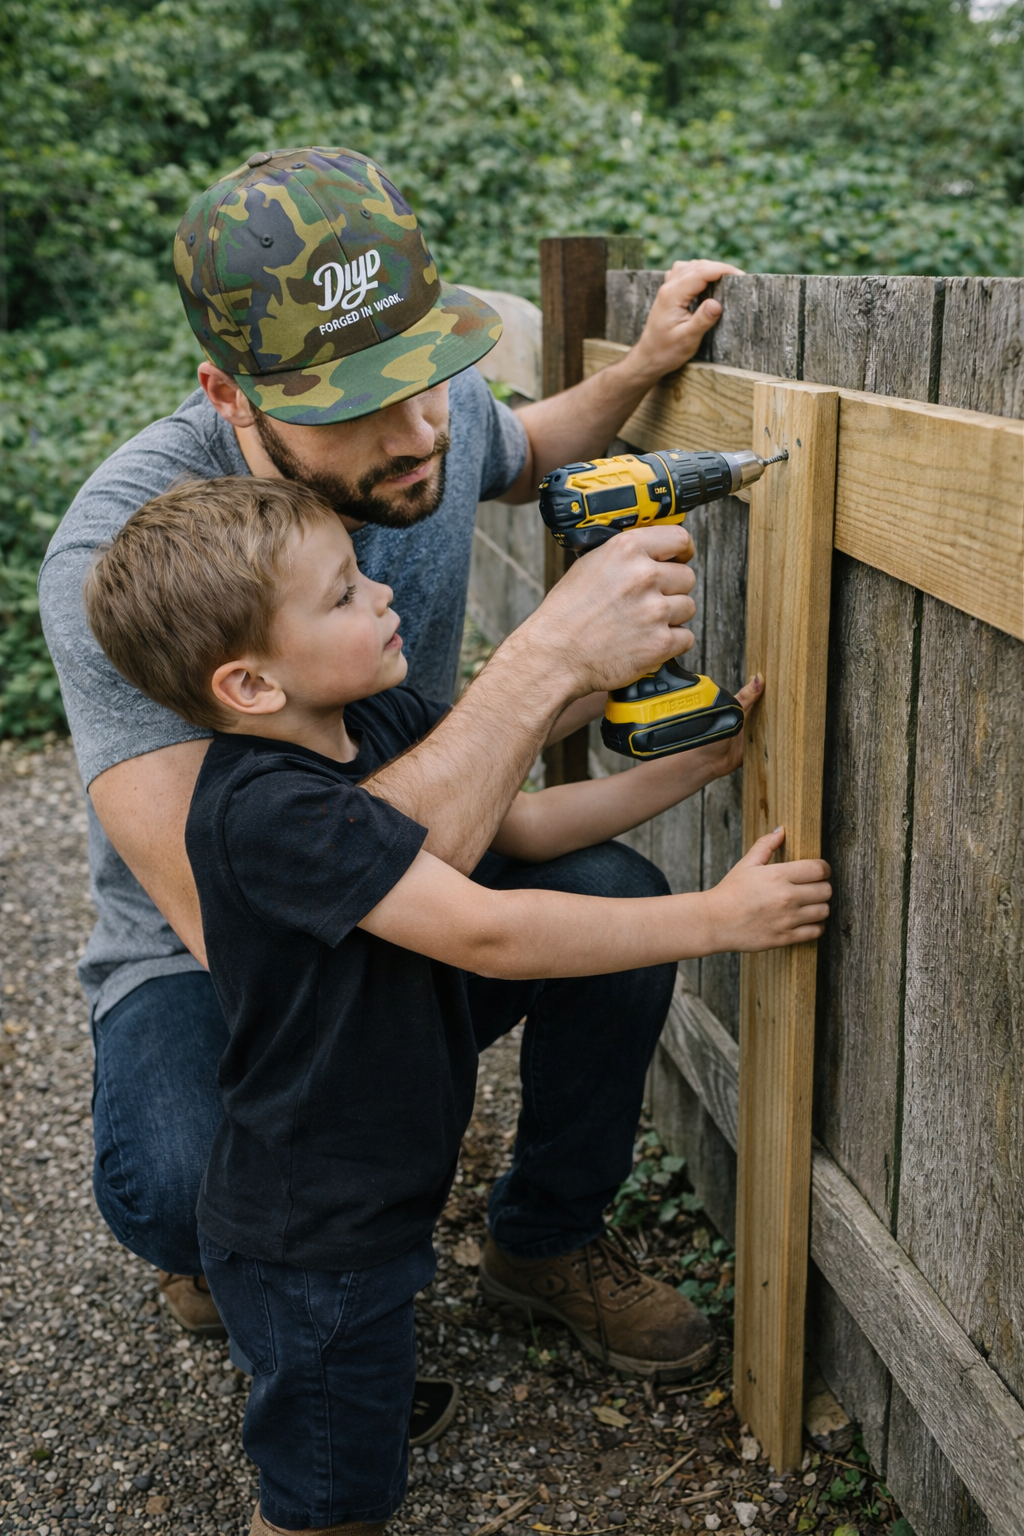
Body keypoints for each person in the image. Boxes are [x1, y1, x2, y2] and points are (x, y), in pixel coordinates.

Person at [37, 142, 741, 1359]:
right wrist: (542, 663)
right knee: (186, 1181)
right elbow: (237, 923)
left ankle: (545, 1238)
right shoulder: (121, 562)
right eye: (356, 404)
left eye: (427, 373)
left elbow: (527, 445)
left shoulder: (427, 422)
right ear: (229, 396)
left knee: (612, 901)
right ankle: (231, 1256)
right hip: (230, 965)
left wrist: (639, 369)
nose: (422, 431)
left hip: (423, 865)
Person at [83, 475, 831, 1536]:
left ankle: (335, 1391)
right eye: (344, 594)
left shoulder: (374, 720)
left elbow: (520, 828)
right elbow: (489, 930)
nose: (383, 594)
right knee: (327, 1502)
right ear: (249, 683)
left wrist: (696, 764)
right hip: (315, 1228)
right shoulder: (264, 815)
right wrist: (720, 918)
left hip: (377, 1192)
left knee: (353, 1419)